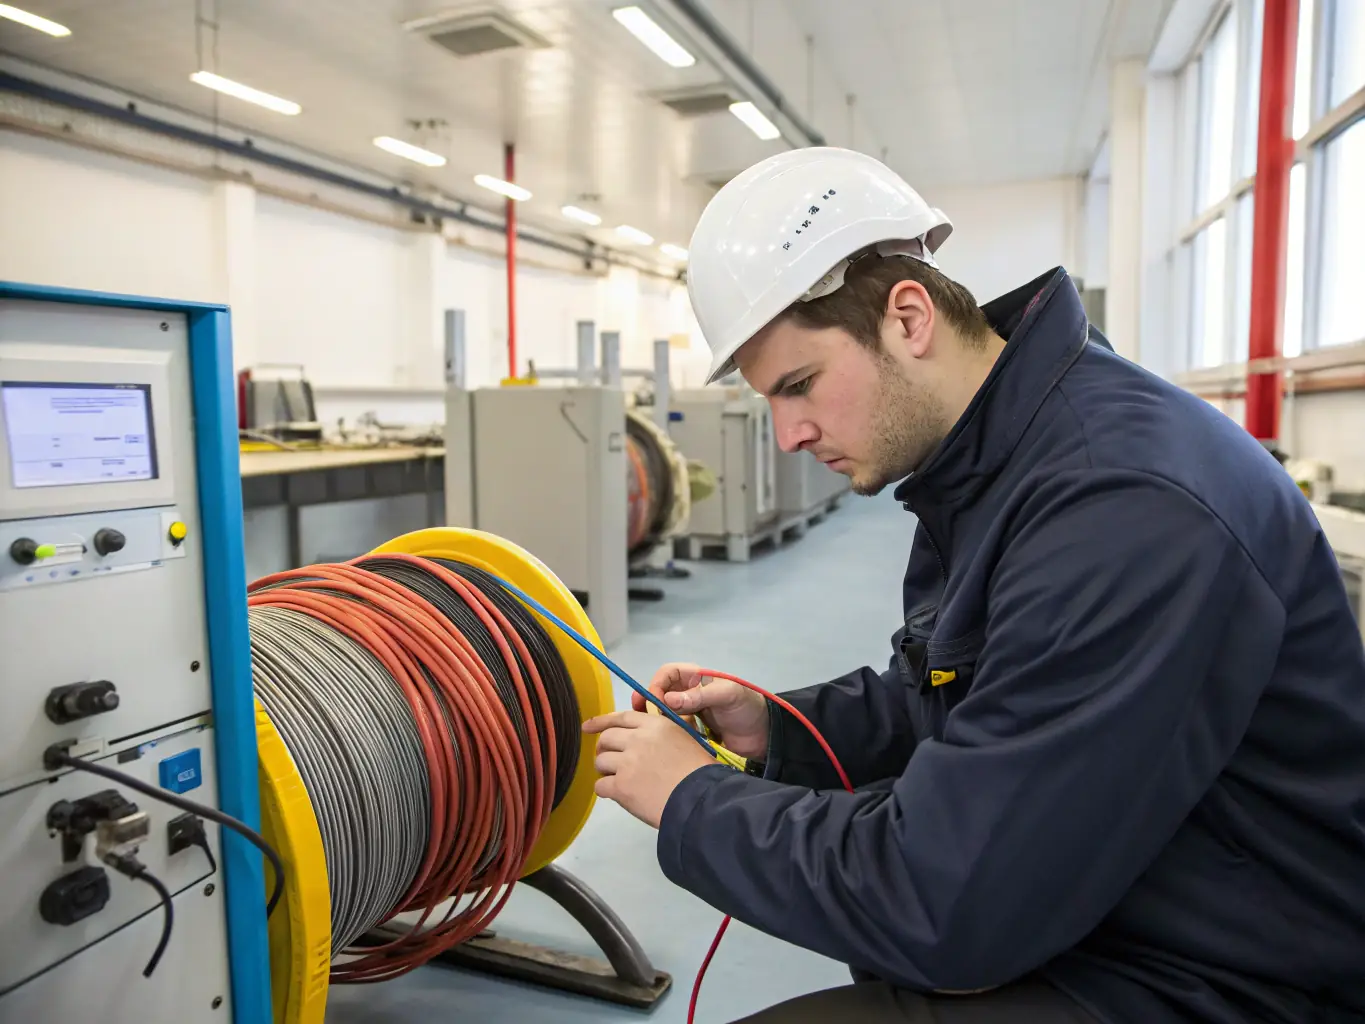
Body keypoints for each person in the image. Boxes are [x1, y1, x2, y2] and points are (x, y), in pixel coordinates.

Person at [582, 148, 1365, 1023]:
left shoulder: (1121, 507)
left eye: (799, 385)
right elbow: (964, 698)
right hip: (1135, 906)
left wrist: (693, 799)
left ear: (907, 318)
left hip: (1230, 976)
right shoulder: (996, 463)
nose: (788, 434)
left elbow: (943, 905)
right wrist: (779, 727)